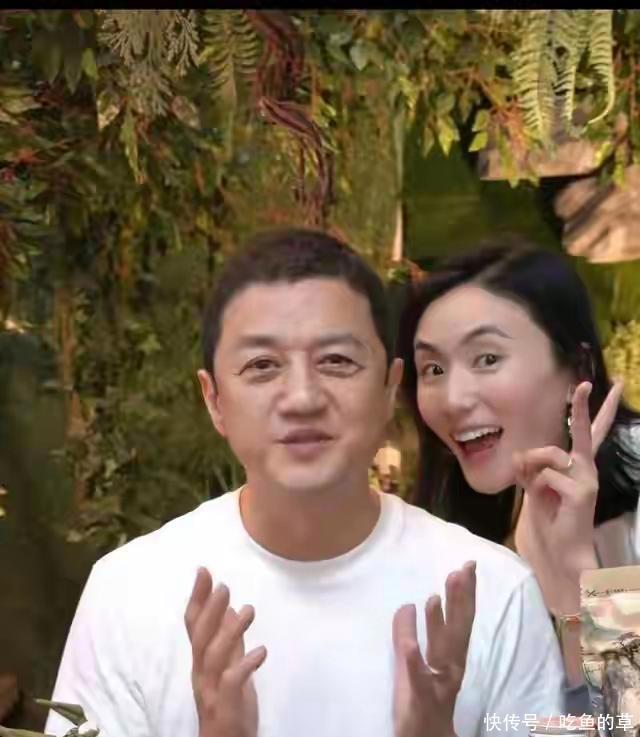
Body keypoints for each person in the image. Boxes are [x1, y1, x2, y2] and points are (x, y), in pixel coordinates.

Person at [46, 229, 564, 737]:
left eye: (336, 361)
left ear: (389, 388)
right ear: (214, 399)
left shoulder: (498, 595)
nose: (302, 398)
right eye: (262, 365)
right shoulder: (128, 595)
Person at [396, 239, 640, 712]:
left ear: (577, 369)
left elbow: (625, 719)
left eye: (487, 359)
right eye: (434, 368)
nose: (453, 399)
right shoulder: (464, 531)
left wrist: (575, 573)